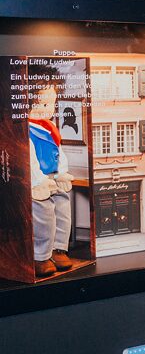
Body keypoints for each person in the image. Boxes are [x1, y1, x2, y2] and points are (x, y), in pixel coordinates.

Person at [28, 82, 75, 278]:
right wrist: (37, 181)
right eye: (44, 104)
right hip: (37, 180)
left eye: (52, 104)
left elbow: (58, 152)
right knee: (43, 212)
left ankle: (58, 248)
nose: (50, 109)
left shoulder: (50, 127)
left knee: (63, 206)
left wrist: (61, 173)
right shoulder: (26, 130)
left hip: (52, 175)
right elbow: (29, 158)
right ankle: (41, 255)